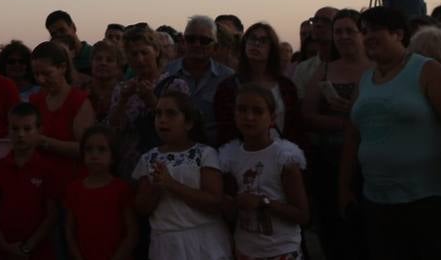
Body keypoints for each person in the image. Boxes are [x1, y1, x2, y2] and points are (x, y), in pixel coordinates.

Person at [339, 6, 441, 260]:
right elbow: (353, 136)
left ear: (398, 33)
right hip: (377, 201)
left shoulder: (427, 71)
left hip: (427, 200)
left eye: (376, 30)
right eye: (364, 31)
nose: (368, 37)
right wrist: (343, 187)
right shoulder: (365, 81)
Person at [300, 9, 369, 260]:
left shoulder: (376, 68)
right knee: (334, 227)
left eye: (350, 30)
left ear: (363, 33)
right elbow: (307, 116)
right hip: (330, 159)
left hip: (370, 162)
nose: (343, 36)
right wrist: (345, 123)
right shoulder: (326, 70)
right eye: (338, 31)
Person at [133, 92, 229, 259]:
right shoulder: (148, 159)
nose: (162, 119)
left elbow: (214, 202)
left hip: (204, 242)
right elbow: (141, 209)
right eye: (158, 114)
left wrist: (171, 184)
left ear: (189, 122)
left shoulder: (204, 153)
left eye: (171, 113)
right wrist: (155, 188)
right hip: (166, 244)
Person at [217, 83, 309, 260]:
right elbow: (230, 210)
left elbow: (302, 214)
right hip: (246, 250)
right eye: (242, 110)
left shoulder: (284, 158)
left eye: (258, 111)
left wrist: (263, 203)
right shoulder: (229, 158)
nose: (249, 117)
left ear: (272, 117)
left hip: (281, 251)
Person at [0, 103, 59, 260]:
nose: (20, 134)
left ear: (39, 130)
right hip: (5, 250)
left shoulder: (47, 169)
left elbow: (52, 214)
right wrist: (3, 244)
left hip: (38, 251)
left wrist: (28, 247)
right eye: (15, 128)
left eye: (27, 129)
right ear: (8, 130)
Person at [211, 22, 300, 147]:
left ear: (272, 48)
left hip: (280, 155)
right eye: (252, 39)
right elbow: (225, 130)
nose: (256, 44)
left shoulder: (286, 87)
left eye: (263, 41)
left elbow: (294, 128)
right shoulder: (228, 87)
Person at [63, 125, 137, 260]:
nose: (94, 155)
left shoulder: (121, 189)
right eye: (89, 149)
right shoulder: (74, 189)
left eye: (101, 149)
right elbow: (69, 230)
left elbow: (131, 233)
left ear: (113, 157)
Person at [29, 41, 94, 187]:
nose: (40, 80)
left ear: (63, 67)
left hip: (72, 183)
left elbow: (86, 149)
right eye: (36, 74)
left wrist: (45, 142)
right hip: (41, 182)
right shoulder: (36, 100)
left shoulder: (79, 102)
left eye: (46, 73)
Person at [161, 16, 233, 135]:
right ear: (183, 42)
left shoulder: (228, 77)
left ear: (215, 47)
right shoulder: (166, 73)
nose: (197, 44)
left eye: (204, 41)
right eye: (191, 39)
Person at [110, 25, 166, 176]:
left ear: (157, 51)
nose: (140, 59)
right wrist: (123, 99)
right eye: (133, 54)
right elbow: (114, 129)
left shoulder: (174, 85)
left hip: (163, 164)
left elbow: (177, 126)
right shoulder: (121, 89)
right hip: (129, 164)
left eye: (144, 53)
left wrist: (151, 99)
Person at [85, 39, 124, 122]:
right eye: (98, 59)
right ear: (91, 63)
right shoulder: (81, 91)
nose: (103, 63)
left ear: (118, 67)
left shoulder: (125, 92)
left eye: (109, 60)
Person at [46, 11, 93, 76]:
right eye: (53, 34)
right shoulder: (55, 62)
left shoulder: (94, 55)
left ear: (73, 27)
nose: (59, 36)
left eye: (62, 30)